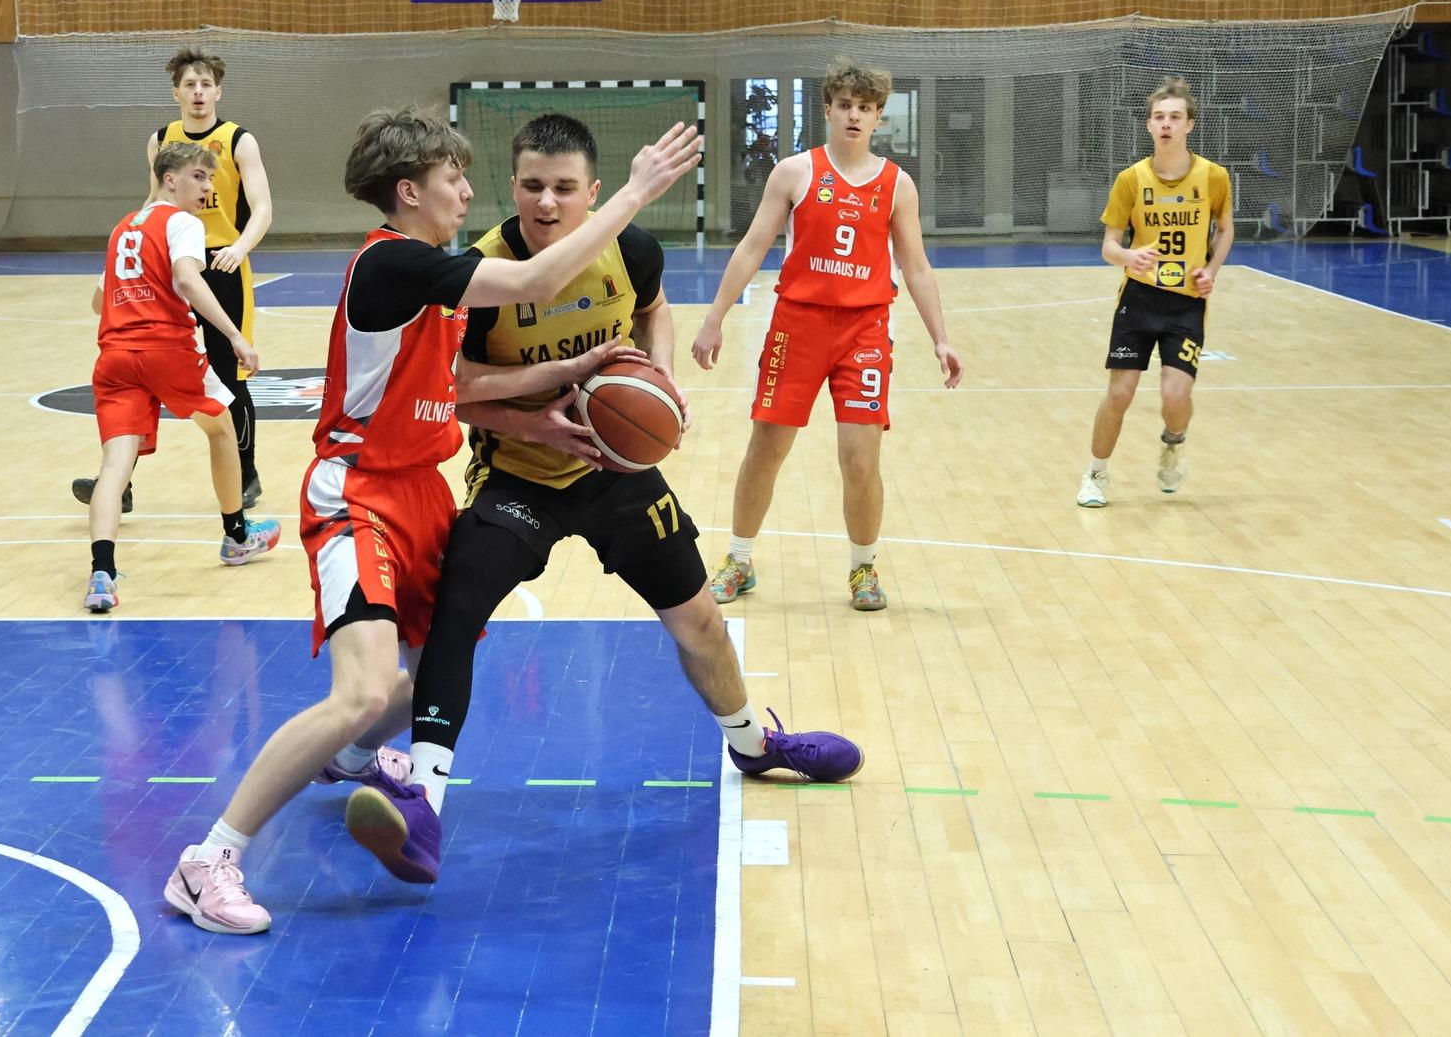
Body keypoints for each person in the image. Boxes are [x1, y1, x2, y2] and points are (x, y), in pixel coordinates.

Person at [162, 107, 702, 935]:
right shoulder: (393, 264)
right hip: (358, 494)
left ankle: (346, 757)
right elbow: (534, 282)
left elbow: (453, 385)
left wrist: (564, 376)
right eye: (453, 177)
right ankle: (208, 859)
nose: (467, 192)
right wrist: (633, 192)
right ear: (410, 191)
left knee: (423, 681)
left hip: (421, 491)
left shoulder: (435, 275)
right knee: (365, 690)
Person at [339, 113, 864, 888]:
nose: (546, 202)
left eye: (563, 187)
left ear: (592, 191)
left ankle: (753, 744)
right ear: (512, 186)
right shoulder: (482, 272)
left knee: (700, 620)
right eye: (531, 186)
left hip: (614, 471)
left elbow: (654, 308)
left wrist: (657, 375)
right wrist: (541, 408)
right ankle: (424, 802)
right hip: (519, 472)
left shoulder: (633, 251)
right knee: (457, 611)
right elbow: (455, 387)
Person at [690, 59, 961, 612]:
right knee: (766, 447)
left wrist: (941, 338)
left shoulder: (897, 184)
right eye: (845, 106)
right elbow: (752, 246)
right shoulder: (794, 172)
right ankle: (739, 559)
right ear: (828, 110)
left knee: (860, 460)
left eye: (866, 108)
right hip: (798, 325)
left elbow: (916, 267)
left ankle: (864, 568)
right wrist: (715, 317)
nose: (854, 116)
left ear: (879, 116)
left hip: (865, 330)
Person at [84, 141, 282, 614]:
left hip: (115, 357)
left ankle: (101, 574)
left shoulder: (123, 227)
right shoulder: (182, 223)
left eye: (210, 178)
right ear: (169, 179)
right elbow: (190, 280)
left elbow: (96, 301)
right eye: (199, 176)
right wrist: (235, 336)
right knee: (223, 427)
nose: (208, 187)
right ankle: (237, 536)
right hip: (167, 351)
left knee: (114, 466)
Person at [73, 47, 273, 513]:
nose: (198, 92)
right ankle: (119, 483)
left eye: (206, 84)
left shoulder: (238, 139)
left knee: (228, 374)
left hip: (221, 262)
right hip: (167, 259)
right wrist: (123, 255)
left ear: (218, 92)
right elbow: (152, 200)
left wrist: (240, 248)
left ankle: (246, 474)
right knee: (144, 367)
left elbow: (262, 206)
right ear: (176, 93)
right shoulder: (161, 139)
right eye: (190, 85)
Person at [1074, 76, 1233, 506]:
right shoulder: (1131, 179)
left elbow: (1225, 229)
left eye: (1175, 117)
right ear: (1148, 125)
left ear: (1189, 125)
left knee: (1175, 396)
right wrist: (1130, 256)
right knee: (1120, 393)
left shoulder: (1214, 177)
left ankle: (1173, 443)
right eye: (1159, 117)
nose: (1166, 124)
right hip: (1139, 299)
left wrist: (1211, 271)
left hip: (1186, 304)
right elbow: (1109, 246)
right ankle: (1095, 474)